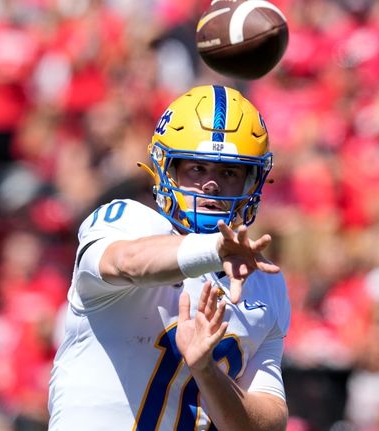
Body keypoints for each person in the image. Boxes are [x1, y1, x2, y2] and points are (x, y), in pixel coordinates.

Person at [48, 85, 291, 430]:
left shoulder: (264, 282)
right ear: (167, 169)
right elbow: (127, 261)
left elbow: (267, 425)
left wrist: (206, 371)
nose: (211, 185)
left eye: (228, 173)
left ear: (252, 182)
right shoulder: (127, 220)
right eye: (196, 169)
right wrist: (214, 251)